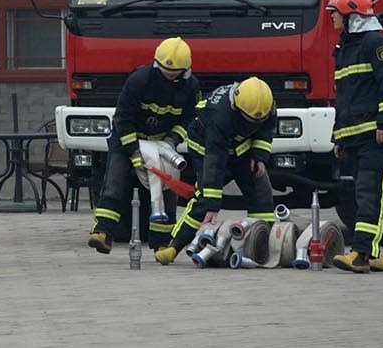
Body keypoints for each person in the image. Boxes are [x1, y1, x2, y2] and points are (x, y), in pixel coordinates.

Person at [88, 36, 200, 254]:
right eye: (165, 72)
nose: (169, 76)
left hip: (162, 142)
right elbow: (123, 118)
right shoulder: (139, 80)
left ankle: (161, 242)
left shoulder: (190, 87)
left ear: (185, 70)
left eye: (174, 73)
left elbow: (190, 119)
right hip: (128, 138)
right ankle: (102, 232)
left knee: (165, 190)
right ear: (156, 64)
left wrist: (171, 142)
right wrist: (133, 151)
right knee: (115, 182)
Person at [326, 0, 383, 273]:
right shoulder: (345, 48)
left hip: (377, 135)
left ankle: (361, 254)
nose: (331, 18)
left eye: (335, 13)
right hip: (357, 137)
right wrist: (338, 136)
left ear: (351, 14)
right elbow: (344, 98)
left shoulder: (376, 44)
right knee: (377, 195)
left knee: (368, 194)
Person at [159, 77, 276, 264]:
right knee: (205, 200)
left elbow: (266, 130)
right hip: (206, 149)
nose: (254, 124)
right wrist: (213, 204)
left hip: (241, 149)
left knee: (261, 192)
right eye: (250, 120)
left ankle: (263, 242)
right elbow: (215, 159)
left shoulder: (265, 104)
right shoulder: (220, 114)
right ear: (237, 108)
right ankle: (174, 246)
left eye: (258, 120)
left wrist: (259, 156)